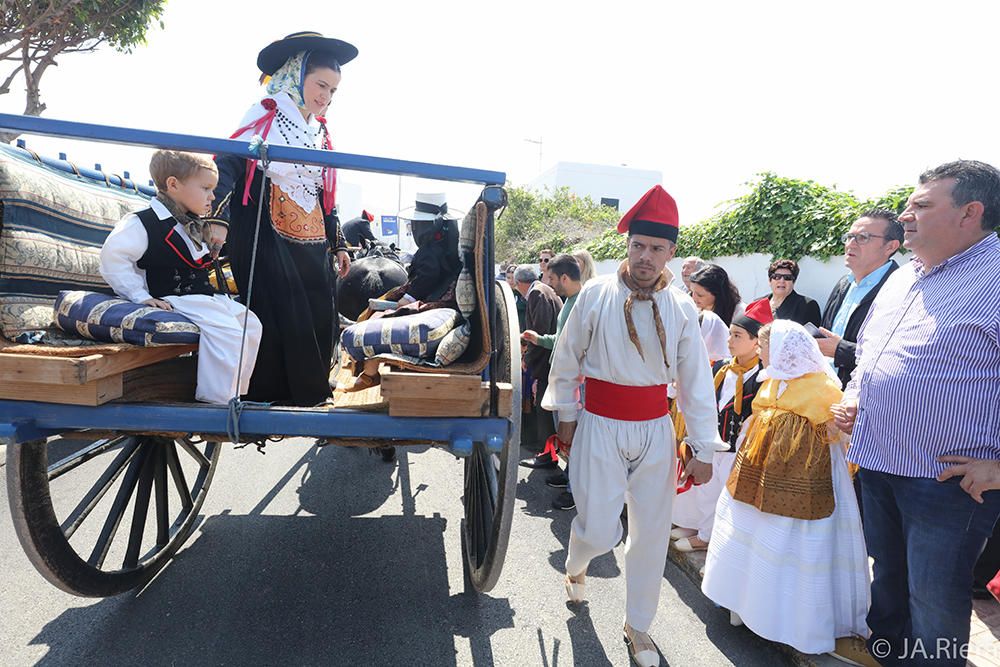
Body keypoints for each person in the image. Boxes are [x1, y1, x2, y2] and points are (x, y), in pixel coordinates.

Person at [542, 185, 725, 667]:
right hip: (599, 424)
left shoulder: (684, 308)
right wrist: (565, 416)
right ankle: (577, 563)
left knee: (649, 534)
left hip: (655, 430)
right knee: (600, 530)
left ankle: (638, 625)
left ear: (672, 252)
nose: (646, 256)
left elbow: (696, 382)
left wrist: (704, 449)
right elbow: (566, 357)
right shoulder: (597, 294)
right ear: (628, 245)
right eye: (638, 245)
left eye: (657, 248)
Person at [833, 160, 1000, 667]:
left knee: (933, 601)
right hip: (880, 463)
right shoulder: (904, 278)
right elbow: (870, 351)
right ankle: (887, 656)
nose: (905, 215)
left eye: (922, 205)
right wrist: (860, 396)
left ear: (970, 212)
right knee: (889, 580)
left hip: (948, 481)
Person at [702, 320, 871, 664]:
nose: (762, 354)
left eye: (766, 347)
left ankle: (797, 622)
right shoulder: (773, 380)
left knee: (799, 545)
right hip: (759, 478)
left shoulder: (823, 388)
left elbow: (840, 436)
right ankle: (746, 603)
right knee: (754, 539)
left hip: (806, 483)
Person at [209, 31, 356, 406]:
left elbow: (324, 191)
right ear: (296, 74)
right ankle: (273, 398)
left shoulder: (319, 132)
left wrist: (338, 242)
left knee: (321, 314)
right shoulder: (265, 113)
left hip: (312, 240)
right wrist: (218, 219)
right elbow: (227, 162)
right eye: (321, 84)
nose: (325, 96)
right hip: (268, 237)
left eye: (333, 90)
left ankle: (312, 394)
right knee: (282, 315)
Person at [100, 150, 263, 404]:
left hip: (199, 296)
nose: (212, 197)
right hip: (172, 296)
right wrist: (140, 296)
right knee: (228, 332)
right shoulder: (143, 222)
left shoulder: (191, 223)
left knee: (250, 324)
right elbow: (113, 257)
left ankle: (235, 393)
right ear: (173, 184)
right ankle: (216, 400)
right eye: (206, 188)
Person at [671, 298, 771, 551]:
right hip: (715, 442)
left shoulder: (762, 376)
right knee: (705, 490)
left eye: (737, 335)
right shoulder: (724, 368)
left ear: (756, 342)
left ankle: (709, 537)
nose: (730, 340)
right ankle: (700, 527)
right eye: (729, 334)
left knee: (724, 494)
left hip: (737, 448)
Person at [522, 254, 582, 510]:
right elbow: (559, 339)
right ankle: (569, 475)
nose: (549, 283)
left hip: (575, 383)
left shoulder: (582, 303)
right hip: (564, 379)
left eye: (552, 278)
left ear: (565, 278)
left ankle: (575, 491)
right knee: (567, 437)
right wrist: (539, 339)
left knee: (577, 438)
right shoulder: (570, 301)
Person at [817, 210, 902, 388]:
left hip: (864, 400)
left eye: (862, 237)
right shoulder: (844, 284)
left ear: (891, 246)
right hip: (827, 393)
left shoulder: (901, 289)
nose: (850, 244)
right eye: (849, 236)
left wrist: (841, 351)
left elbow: (897, 357)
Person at [514, 264, 562, 459]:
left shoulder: (537, 294)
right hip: (548, 357)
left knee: (543, 406)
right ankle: (546, 449)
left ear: (519, 283)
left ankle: (546, 452)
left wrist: (527, 358)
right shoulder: (544, 290)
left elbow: (538, 332)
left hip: (545, 359)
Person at [759, 259, 821, 326]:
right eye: (777, 277)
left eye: (787, 277)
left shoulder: (807, 305)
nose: (782, 281)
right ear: (770, 280)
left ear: (793, 282)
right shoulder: (757, 304)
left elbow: (813, 335)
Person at [505, 263, 527, 331]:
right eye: (508, 278)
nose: (511, 281)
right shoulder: (504, 292)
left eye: (513, 278)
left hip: (521, 328)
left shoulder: (524, 293)